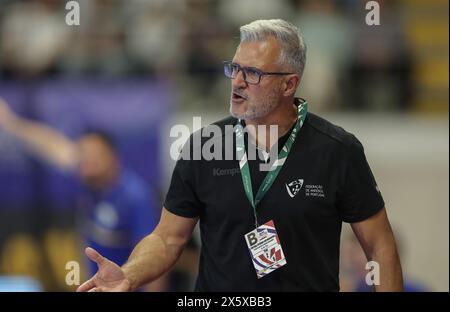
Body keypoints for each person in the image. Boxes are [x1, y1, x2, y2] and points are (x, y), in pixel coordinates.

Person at [74, 19, 402, 292]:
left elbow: (380, 244)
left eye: (253, 73)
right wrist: (129, 275)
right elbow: (167, 239)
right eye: (235, 68)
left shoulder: (337, 151)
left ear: (289, 84)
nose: (238, 82)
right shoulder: (203, 147)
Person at [0, 98, 161, 287]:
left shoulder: (135, 197)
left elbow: (153, 257)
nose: (85, 162)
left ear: (112, 157)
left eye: (93, 156)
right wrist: (11, 123)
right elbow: (51, 145)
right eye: (82, 156)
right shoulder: (87, 178)